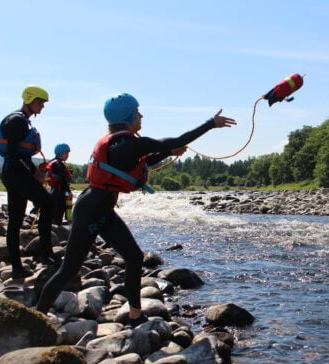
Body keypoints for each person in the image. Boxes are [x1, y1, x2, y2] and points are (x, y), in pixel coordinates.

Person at [36, 93, 236, 326]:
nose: (141, 115)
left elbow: (142, 161)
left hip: (100, 207)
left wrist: (169, 153)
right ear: (128, 115)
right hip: (92, 210)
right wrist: (210, 124)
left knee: (134, 256)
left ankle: (134, 315)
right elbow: (172, 140)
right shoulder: (128, 143)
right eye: (137, 112)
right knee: (68, 270)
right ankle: (36, 317)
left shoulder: (121, 143)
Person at [0, 85, 58, 279]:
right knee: (47, 204)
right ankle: (46, 255)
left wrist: (33, 171)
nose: (42, 106)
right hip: (15, 173)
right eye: (40, 102)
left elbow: (19, 154)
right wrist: (32, 172)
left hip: (13, 172)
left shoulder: (22, 120)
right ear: (29, 100)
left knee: (15, 220)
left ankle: (17, 268)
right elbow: (14, 152)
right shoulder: (17, 121)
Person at [47, 143, 73, 224]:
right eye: (66, 153)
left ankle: (68, 220)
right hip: (59, 193)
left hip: (58, 191)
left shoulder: (55, 162)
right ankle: (63, 222)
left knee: (67, 205)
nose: (68, 155)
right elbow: (62, 179)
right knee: (58, 212)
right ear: (60, 153)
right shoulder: (57, 163)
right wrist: (68, 191)